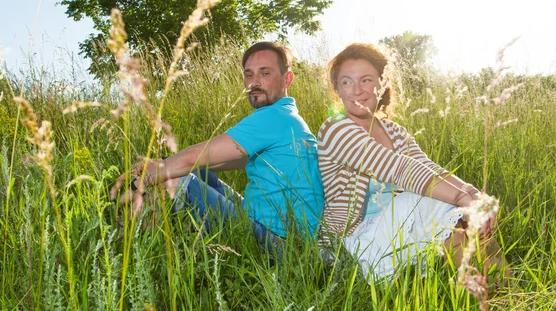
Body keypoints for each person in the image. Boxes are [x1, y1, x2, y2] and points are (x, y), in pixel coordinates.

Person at [110, 42, 324, 255]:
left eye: (265, 73)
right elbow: (219, 161)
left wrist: (142, 180)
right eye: (249, 74)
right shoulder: (288, 117)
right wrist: (162, 164)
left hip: (279, 245)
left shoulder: (273, 116)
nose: (254, 82)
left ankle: (136, 245)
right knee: (194, 171)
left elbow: (192, 157)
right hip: (281, 233)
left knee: (176, 178)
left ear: (287, 79)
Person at [317, 43, 507, 281]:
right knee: (434, 201)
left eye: (365, 80)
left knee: (457, 207)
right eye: (346, 82)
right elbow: (400, 169)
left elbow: (428, 167)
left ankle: (505, 292)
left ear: (381, 84)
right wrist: (462, 198)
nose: (356, 90)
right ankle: (497, 293)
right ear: (338, 88)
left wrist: (474, 196)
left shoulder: (394, 131)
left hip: (395, 231)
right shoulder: (336, 128)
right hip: (351, 245)